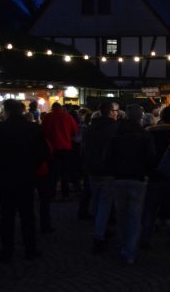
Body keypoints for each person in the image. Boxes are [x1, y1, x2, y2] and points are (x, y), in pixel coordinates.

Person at [0, 99, 49, 262]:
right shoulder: (33, 128)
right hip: (27, 176)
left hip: (6, 177)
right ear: (22, 110)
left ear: (6, 110)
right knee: (27, 215)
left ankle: (7, 251)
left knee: (7, 216)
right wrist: (33, 167)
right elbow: (44, 152)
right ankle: (30, 249)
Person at [106, 105, 156, 264]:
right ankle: (130, 252)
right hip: (138, 179)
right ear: (140, 117)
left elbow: (108, 157)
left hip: (119, 178)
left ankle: (122, 245)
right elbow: (151, 158)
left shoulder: (117, 134)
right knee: (135, 217)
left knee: (121, 215)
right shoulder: (145, 135)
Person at [140, 105, 170, 248]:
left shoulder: (150, 131)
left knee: (150, 209)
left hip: (154, 175)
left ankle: (145, 238)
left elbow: (144, 153)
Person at [83, 102, 119, 253]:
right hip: (108, 170)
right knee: (105, 203)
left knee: (96, 199)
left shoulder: (90, 128)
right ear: (110, 112)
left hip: (92, 168)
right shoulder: (114, 128)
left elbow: (84, 148)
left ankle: (99, 227)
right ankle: (99, 234)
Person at [41, 102, 78, 199]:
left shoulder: (47, 117)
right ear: (61, 108)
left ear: (52, 108)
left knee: (52, 173)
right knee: (65, 173)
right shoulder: (68, 117)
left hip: (51, 149)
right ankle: (65, 194)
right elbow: (75, 131)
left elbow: (42, 132)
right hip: (66, 148)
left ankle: (51, 194)